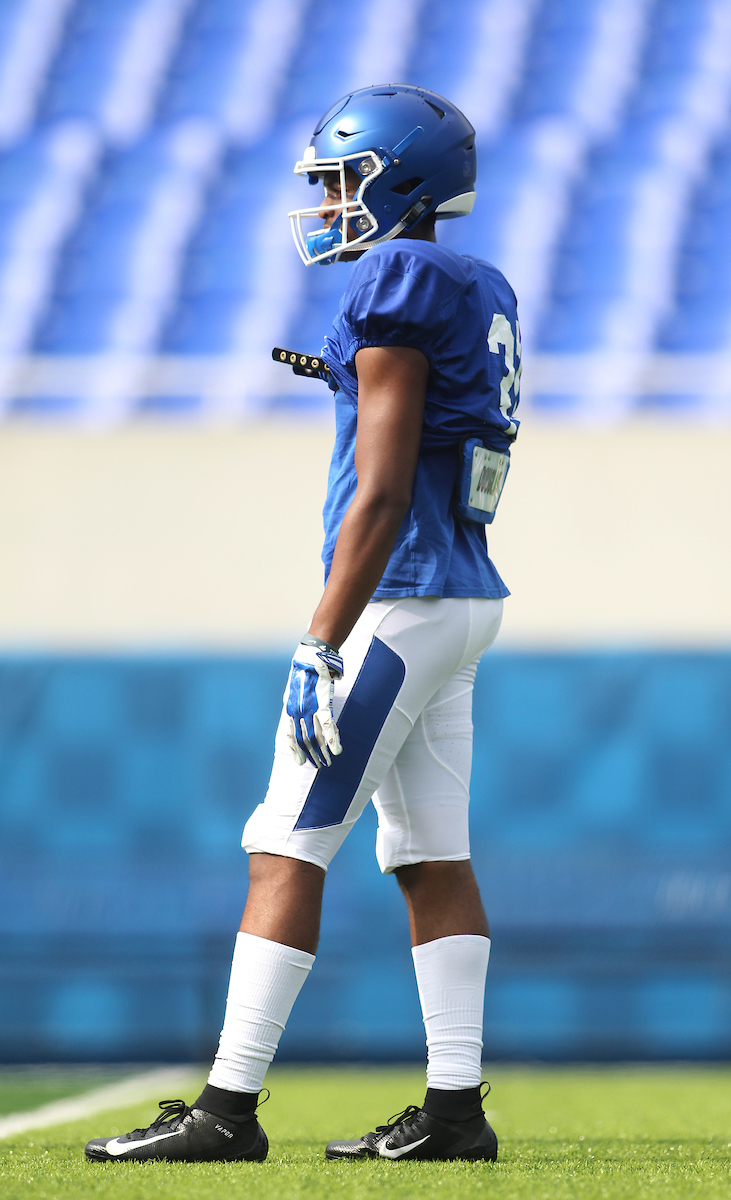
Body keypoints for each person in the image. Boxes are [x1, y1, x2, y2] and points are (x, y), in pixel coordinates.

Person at [85, 83, 521, 1166]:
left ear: (398, 183)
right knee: (430, 855)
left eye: (341, 182)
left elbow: (377, 490)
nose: (327, 204)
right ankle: (455, 1111)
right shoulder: (475, 279)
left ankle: (225, 1111)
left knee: (284, 841)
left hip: (400, 598)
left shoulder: (397, 275)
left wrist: (320, 636)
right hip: (463, 595)